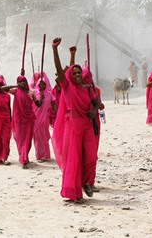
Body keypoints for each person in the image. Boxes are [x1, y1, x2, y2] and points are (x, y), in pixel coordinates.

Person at [51, 37, 99, 204]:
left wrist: (94, 111)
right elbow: (59, 69)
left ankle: (86, 182)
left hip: (87, 126)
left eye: (80, 73)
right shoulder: (67, 87)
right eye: (75, 73)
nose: (78, 75)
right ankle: (74, 192)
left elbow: (96, 104)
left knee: (91, 157)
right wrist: (55, 49)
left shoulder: (87, 89)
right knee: (74, 160)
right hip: (73, 128)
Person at [9, 75, 43, 169]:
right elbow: (2, 88)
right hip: (19, 119)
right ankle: (23, 158)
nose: (23, 83)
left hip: (29, 119)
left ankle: (25, 157)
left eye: (24, 81)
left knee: (28, 140)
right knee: (20, 139)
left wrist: (42, 98)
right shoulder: (16, 91)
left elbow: (38, 105)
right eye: (21, 81)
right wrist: (16, 85)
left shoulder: (31, 92)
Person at [33, 77, 56, 163]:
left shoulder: (50, 94)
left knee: (45, 136)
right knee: (38, 136)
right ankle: (39, 155)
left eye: (44, 83)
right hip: (36, 118)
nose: (42, 85)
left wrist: (57, 113)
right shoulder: (35, 93)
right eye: (40, 83)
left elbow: (54, 104)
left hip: (45, 118)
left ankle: (46, 154)